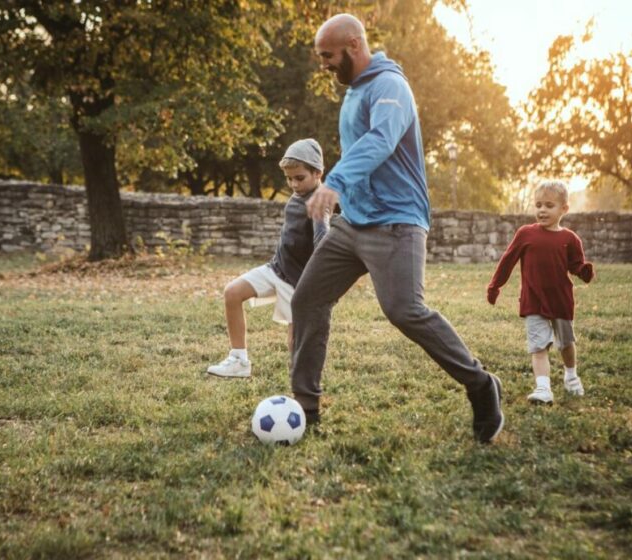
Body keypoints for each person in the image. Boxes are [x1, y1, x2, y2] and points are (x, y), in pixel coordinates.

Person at [290, 14, 504, 443]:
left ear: (354, 45)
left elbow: (380, 141)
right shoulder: (353, 93)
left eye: (329, 56)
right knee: (307, 298)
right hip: (354, 224)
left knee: (404, 310)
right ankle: (305, 409)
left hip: (397, 223)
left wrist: (334, 183)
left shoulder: (391, 86)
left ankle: (481, 385)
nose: (325, 65)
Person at [207, 139, 329, 378]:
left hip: (298, 283)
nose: (294, 183)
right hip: (276, 268)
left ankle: (301, 381)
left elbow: (323, 238)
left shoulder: (319, 202)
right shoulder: (298, 195)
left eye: (300, 178)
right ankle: (238, 360)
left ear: (318, 173)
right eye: (289, 178)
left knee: (296, 340)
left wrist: (318, 281)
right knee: (232, 292)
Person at [487, 180, 595, 404]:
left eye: (549, 205)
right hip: (533, 300)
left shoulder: (570, 239)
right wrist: (495, 285)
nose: (542, 210)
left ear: (564, 209)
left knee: (565, 343)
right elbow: (507, 261)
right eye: (538, 205)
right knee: (538, 345)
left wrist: (584, 271)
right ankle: (543, 388)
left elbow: (576, 265)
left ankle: (571, 375)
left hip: (560, 301)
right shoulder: (525, 234)